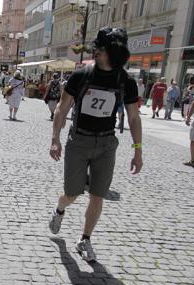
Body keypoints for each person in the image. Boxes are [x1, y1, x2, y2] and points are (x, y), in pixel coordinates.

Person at [48, 26, 143, 263]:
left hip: (106, 144)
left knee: (98, 195)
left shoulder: (126, 82)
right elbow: (62, 106)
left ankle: (85, 239)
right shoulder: (82, 75)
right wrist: (55, 139)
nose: (97, 53)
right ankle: (60, 209)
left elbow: (133, 117)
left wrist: (138, 150)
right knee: (71, 194)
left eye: (100, 49)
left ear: (112, 52)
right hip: (79, 141)